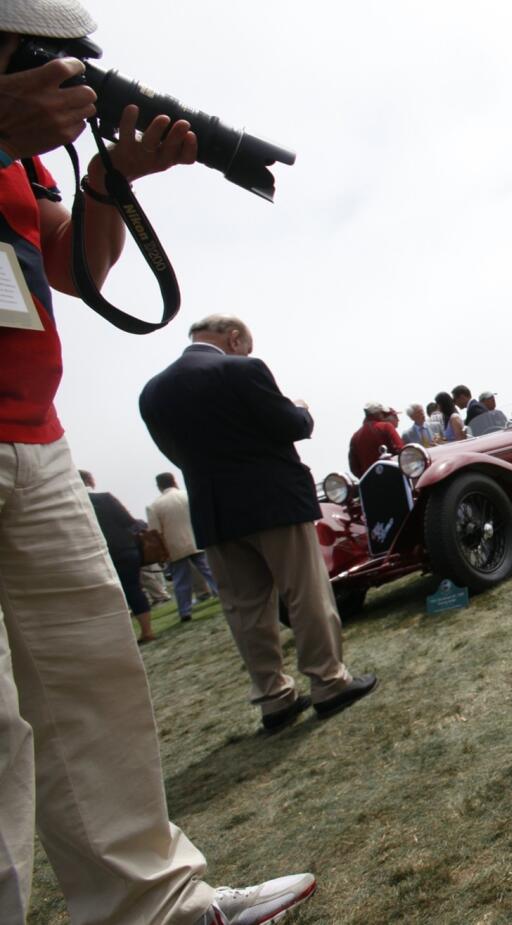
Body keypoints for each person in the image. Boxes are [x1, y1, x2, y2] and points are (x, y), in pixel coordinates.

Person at [0, 4, 316, 923]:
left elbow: (75, 269)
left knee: (90, 684)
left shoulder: (20, 152)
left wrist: (108, 177)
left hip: (34, 435)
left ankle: (156, 904)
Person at [140, 314, 378, 735]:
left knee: (245, 609)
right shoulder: (242, 369)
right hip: (274, 500)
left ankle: (273, 698)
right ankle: (328, 681)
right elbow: (290, 425)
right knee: (305, 593)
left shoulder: (153, 392)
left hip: (215, 511)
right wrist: (301, 409)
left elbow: (174, 453)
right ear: (234, 339)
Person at [79, 469, 155, 643]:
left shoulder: (75, 505)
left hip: (96, 555)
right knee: (134, 589)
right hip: (124, 549)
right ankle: (147, 630)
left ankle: (119, 638)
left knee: (109, 597)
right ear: (90, 480)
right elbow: (129, 521)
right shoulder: (105, 498)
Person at [147, 471, 218, 622]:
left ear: (159, 486)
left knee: (181, 581)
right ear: (174, 481)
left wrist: (161, 554)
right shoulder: (187, 495)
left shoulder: (154, 506)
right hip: (195, 539)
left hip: (174, 547)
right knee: (209, 570)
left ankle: (185, 611)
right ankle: (223, 594)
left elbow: (155, 532)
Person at [348, 401, 404, 477]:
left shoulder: (355, 437)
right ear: (378, 414)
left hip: (370, 483)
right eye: (382, 413)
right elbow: (401, 451)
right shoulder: (386, 427)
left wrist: (367, 477)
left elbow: (354, 467)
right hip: (392, 477)